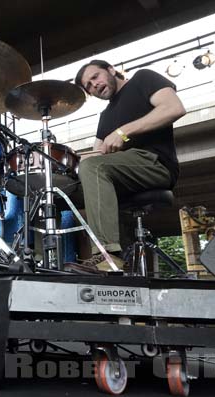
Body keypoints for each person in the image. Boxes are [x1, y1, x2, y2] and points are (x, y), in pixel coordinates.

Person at [73, 60, 186, 270]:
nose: (94, 85)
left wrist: (122, 132)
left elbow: (174, 108)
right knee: (69, 187)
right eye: (88, 85)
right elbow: (95, 155)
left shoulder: (143, 78)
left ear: (110, 70)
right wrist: (61, 163)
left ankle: (107, 256)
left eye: (95, 77)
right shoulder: (105, 116)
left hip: (155, 163)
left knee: (94, 168)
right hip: (122, 173)